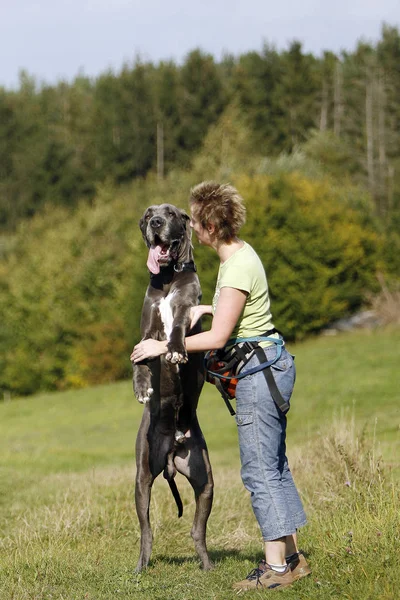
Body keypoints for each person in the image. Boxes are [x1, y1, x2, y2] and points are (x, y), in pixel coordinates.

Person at [131, 181, 310, 591]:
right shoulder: (242, 258)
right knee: (276, 469)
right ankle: (294, 558)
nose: (191, 226)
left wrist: (161, 344)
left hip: (259, 377)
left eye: (195, 220)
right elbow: (237, 314)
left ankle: (275, 570)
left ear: (211, 225)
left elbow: (216, 337)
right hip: (270, 368)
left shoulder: (234, 270)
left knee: (260, 472)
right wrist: (208, 308)